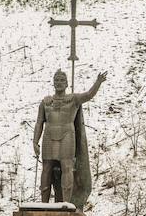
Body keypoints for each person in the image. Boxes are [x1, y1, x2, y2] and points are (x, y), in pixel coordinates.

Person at [33, 68, 107, 207]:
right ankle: (43, 204)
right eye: (56, 80)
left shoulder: (73, 99)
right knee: (46, 168)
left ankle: (66, 204)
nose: (59, 82)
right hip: (48, 136)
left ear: (67, 84)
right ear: (53, 83)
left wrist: (98, 82)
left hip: (67, 135)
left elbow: (89, 95)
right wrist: (35, 141)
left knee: (67, 167)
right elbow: (39, 123)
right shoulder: (45, 102)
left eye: (62, 80)